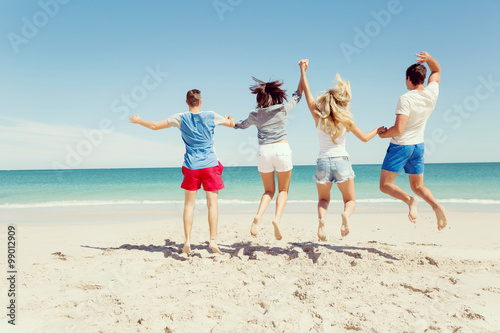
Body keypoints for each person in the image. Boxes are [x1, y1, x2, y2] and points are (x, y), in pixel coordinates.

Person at [129, 89, 235, 254]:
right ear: (201, 101)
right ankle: (213, 241)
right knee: (212, 204)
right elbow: (232, 124)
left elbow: (155, 126)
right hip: (210, 165)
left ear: (187, 102)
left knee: (189, 205)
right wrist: (229, 118)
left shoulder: (180, 118)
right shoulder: (212, 115)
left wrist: (139, 120)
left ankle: (187, 242)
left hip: (192, 166)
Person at [299, 59, 384, 239]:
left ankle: (322, 222)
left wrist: (303, 72)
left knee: (323, 200)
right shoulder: (347, 120)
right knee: (350, 200)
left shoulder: (319, 117)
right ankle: (345, 215)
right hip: (341, 161)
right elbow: (364, 138)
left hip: (322, 161)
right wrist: (377, 130)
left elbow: (307, 95)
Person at [378, 52, 447, 230]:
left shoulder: (406, 98)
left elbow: (399, 129)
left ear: (408, 79)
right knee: (418, 186)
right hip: (418, 146)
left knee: (385, 185)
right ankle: (436, 207)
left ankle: (410, 200)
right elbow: (437, 70)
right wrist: (429, 59)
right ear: (422, 79)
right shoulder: (431, 94)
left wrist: (383, 134)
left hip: (401, 146)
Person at [234, 74, 303, 240]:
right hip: (282, 150)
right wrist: (302, 72)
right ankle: (277, 219)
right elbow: (298, 94)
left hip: (264, 152)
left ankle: (258, 216)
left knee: (268, 191)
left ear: (260, 98)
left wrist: (231, 122)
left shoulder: (255, 115)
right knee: (283, 190)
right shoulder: (283, 109)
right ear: (276, 95)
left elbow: (241, 125)